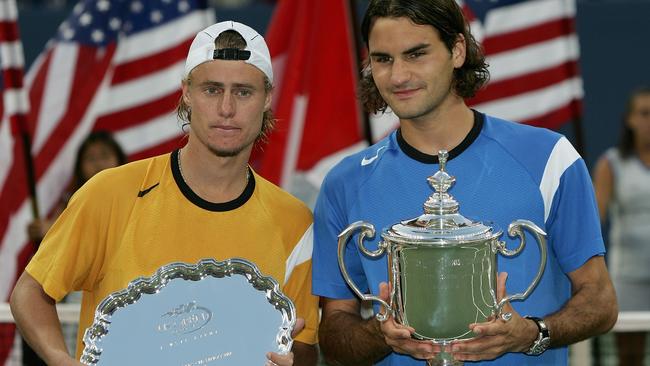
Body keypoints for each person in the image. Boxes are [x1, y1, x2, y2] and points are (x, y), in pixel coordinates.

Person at [312, 0, 618, 365]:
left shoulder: (550, 158)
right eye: (383, 59)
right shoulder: (345, 182)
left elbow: (600, 301)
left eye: (416, 54)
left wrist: (531, 334)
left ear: (457, 51)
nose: (397, 76)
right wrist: (380, 335)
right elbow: (334, 337)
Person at [10, 21, 318, 366]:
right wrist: (58, 359)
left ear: (267, 98)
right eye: (212, 90)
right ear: (187, 92)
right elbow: (30, 292)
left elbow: (303, 345)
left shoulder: (295, 221)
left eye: (243, 92)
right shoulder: (110, 193)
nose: (227, 108)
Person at [593, 86, 650, 366]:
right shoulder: (610, 164)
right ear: (629, 119)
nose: (649, 121)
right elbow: (593, 222)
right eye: (644, 113)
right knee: (630, 356)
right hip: (630, 276)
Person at [26, 130, 127, 243]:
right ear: (80, 168)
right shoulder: (72, 201)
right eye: (90, 158)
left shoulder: (134, 194)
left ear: (119, 159)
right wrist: (47, 232)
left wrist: (56, 232)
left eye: (105, 155)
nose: (98, 163)